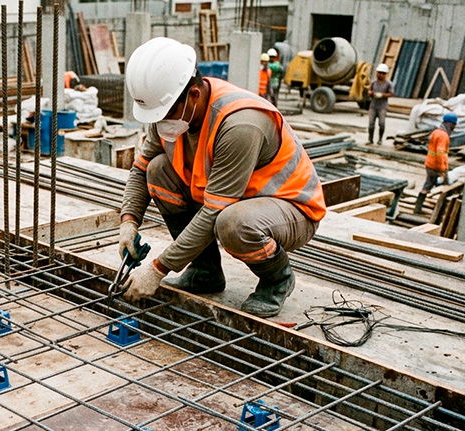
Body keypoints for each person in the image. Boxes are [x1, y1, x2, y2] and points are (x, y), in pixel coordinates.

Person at [119, 37, 326, 318]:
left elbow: (216, 210)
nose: (161, 121)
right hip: (232, 200)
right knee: (158, 171)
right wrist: (128, 221)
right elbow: (141, 169)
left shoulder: (240, 123)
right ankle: (206, 272)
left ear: (193, 94)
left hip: (290, 206)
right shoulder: (171, 113)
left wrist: (158, 268)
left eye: (165, 113)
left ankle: (277, 279)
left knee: (233, 223)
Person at [413, 112, 456, 214]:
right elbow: (441, 153)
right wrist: (443, 169)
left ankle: (418, 207)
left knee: (429, 183)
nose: (455, 127)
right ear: (451, 124)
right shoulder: (443, 136)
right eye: (454, 124)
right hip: (436, 166)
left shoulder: (436, 132)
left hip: (430, 163)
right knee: (445, 186)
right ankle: (442, 210)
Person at [367, 63, 394, 145]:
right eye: (379, 73)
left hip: (382, 106)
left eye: (383, 73)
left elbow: (391, 93)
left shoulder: (388, 83)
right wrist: (370, 93)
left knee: (381, 124)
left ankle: (380, 139)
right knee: (371, 124)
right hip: (373, 106)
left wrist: (382, 95)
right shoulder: (374, 82)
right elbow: (369, 90)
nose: (380, 75)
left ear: (385, 74)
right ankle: (370, 139)